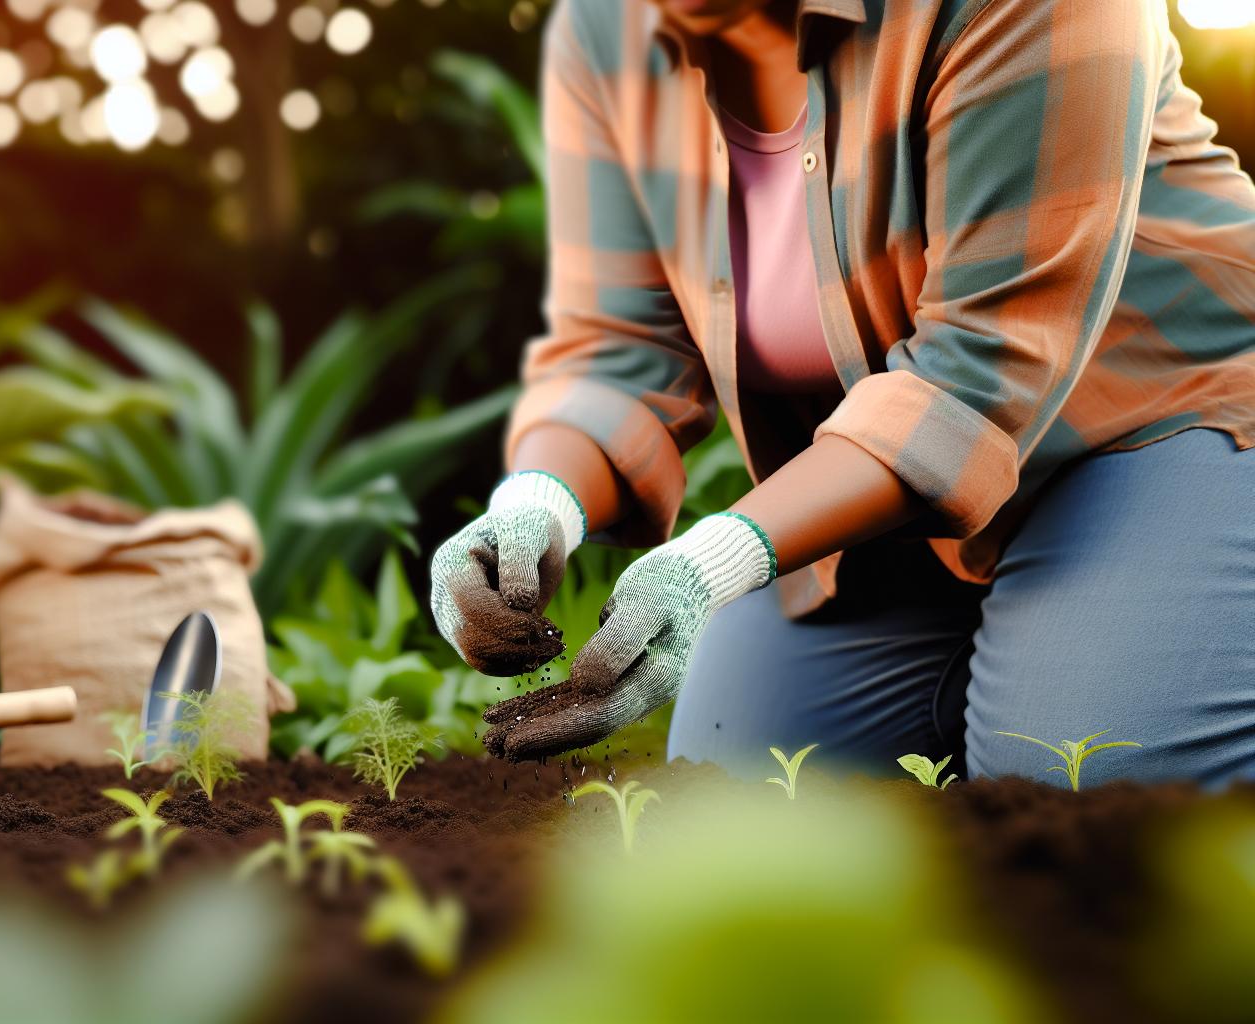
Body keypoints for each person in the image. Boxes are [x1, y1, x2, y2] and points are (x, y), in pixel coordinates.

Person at [431, 0, 1255, 787]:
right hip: (889, 489)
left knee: (1092, 771)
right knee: (738, 798)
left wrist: (705, 567)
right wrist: (537, 504)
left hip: (1169, 424)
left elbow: (982, 367)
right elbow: (621, 348)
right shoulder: (610, 30)